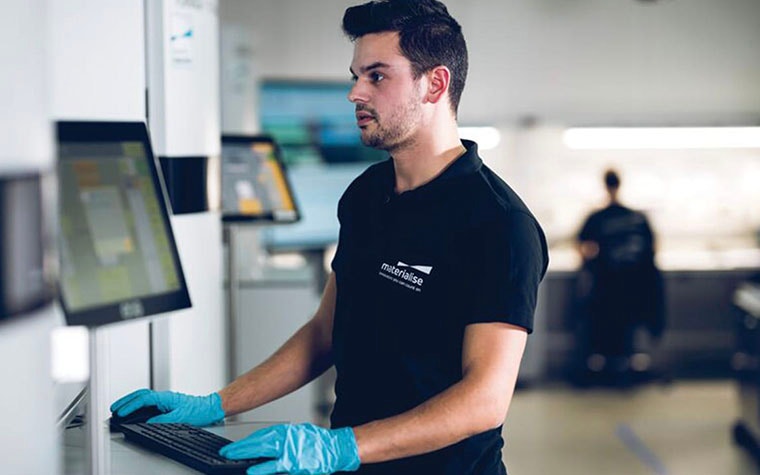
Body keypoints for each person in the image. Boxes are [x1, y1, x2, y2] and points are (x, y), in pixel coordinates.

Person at [111, 1, 549, 473]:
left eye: (376, 76)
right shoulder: (366, 195)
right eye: (355, 75)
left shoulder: (499, 225)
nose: (355, 93)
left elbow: (484, 399)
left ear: (435, 84)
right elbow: (325, 333)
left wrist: (341, 446)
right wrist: (216, 404)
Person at [574, 169, 664, 386]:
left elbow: (583, 247)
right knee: (627, 330)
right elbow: (653, 249)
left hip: (606, 285)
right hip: (634, 286)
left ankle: (609, 373)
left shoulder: (597, 218)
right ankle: (625, 372)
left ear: (605, 185)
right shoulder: (637, 217)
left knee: (605, 329)